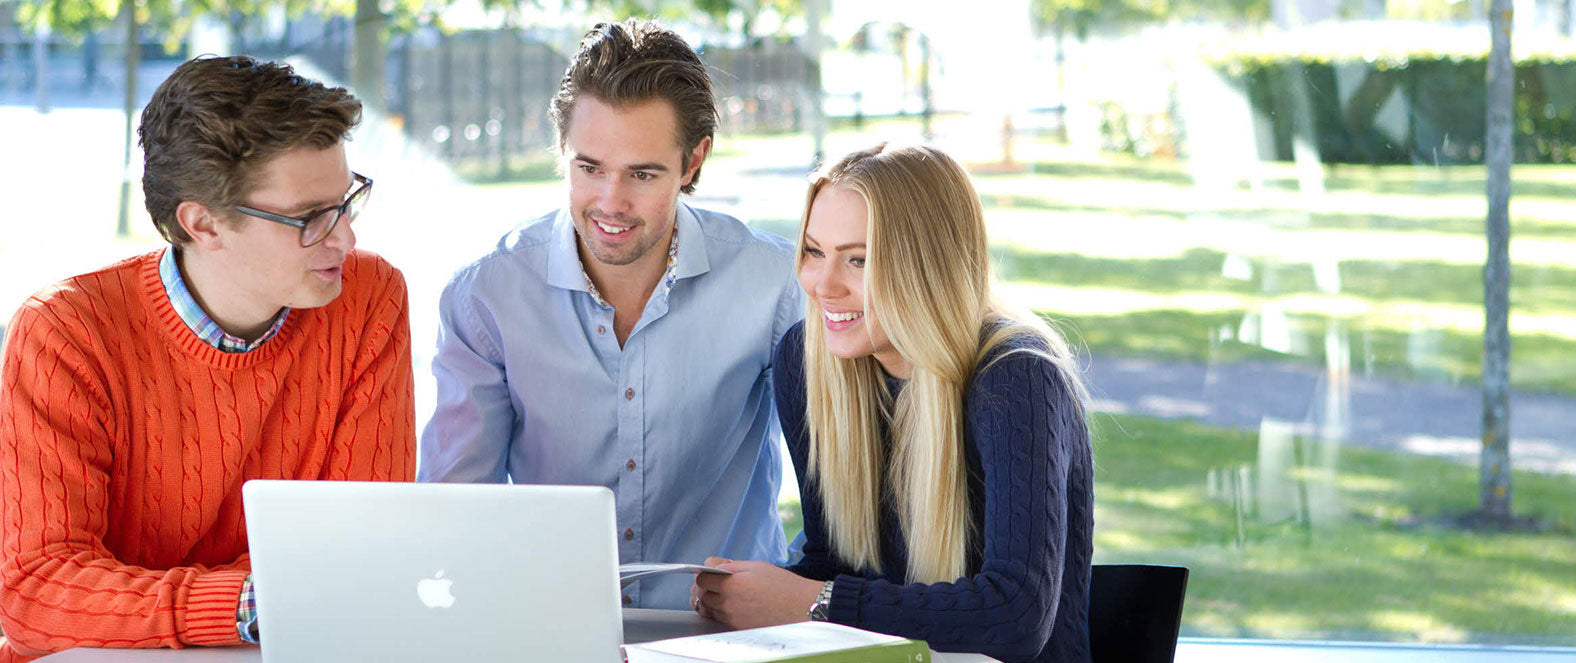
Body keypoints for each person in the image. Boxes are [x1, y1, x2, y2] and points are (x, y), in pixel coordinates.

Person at [0, 56, 415, 661]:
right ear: (203, 225)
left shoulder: (368, 297)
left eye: (346, 201)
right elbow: (39, 593)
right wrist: (252, 605)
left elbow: (363, 547)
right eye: (309, 218)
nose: (345, 238)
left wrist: (255, 604)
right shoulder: (67, 331)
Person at [419, 19, 804, 610]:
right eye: (589, 167)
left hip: (728, 637)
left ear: (693, 161)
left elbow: (850, 490)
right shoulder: (486, 298)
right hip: (549, 629)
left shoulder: (775, 286)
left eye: (642, 174)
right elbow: (455, 511)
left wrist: (796, 591)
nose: (610, 203)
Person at [691, 143, 1094, 663]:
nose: (823, 286)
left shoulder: (1017, 379)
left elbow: (1014, 616)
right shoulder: (807, 358)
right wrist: (751, 594)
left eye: (858, 259)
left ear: (928, 267)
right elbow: (835, 562)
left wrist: (812, 603)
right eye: (814, 251)